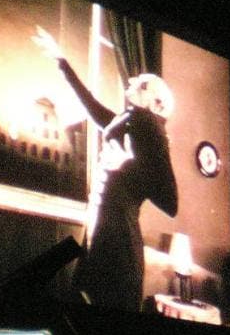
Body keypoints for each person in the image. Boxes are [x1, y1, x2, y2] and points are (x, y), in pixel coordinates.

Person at [33, 26, 178, 312]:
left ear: (156, 104)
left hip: (118, 243)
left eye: (144, 84)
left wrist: (128, 164)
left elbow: (170, 202)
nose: (135, 79)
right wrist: (61, 61)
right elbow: (92, 107)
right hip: (105, 234)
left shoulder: (150, 126)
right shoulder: (131, 120)